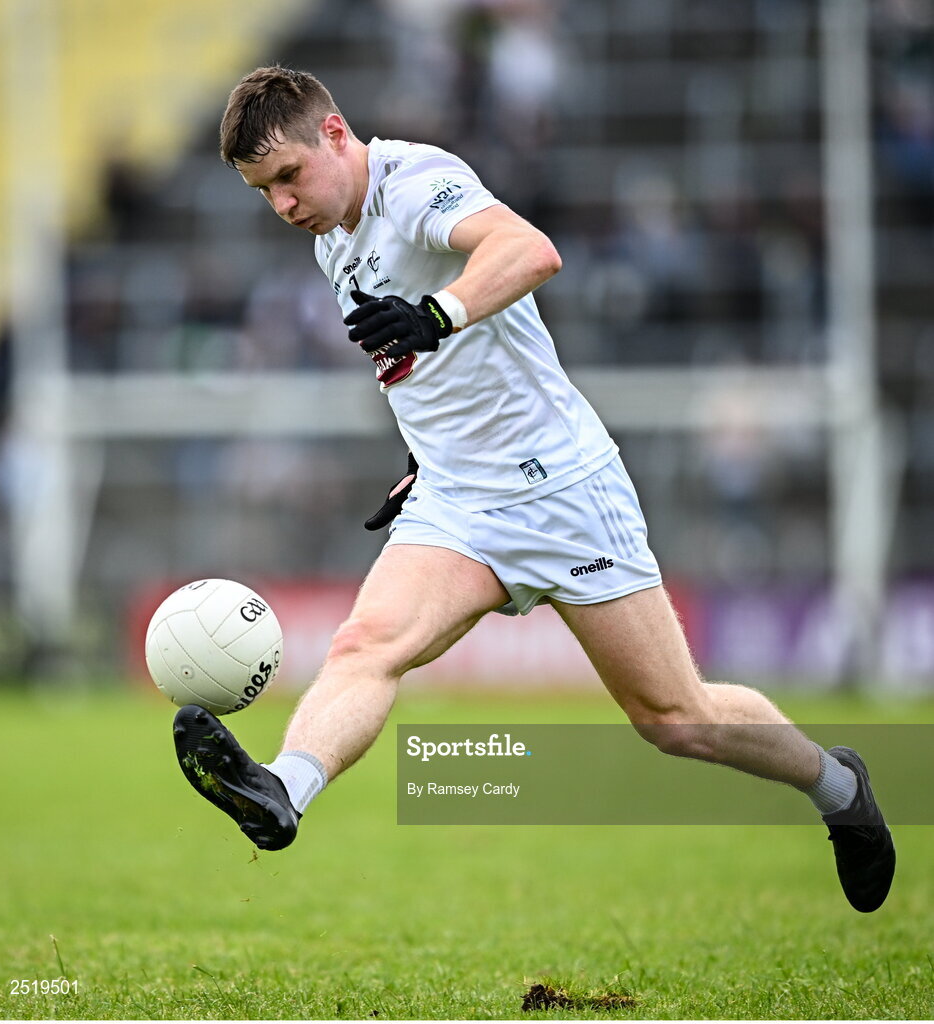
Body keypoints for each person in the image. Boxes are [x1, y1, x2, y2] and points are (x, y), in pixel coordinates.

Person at [172, 65, 895, 914]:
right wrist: (424, 459)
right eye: (266, 193)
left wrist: (438, 312)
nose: (285, 206)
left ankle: (837, 787)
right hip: (457, 499)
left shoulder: (415, 182)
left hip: (562, 491)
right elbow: (433, 376)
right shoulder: (334, 236)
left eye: (289, 177)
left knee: (676, 719)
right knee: (367, 644)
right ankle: (283, 792)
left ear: (335, 134)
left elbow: (529, 249)